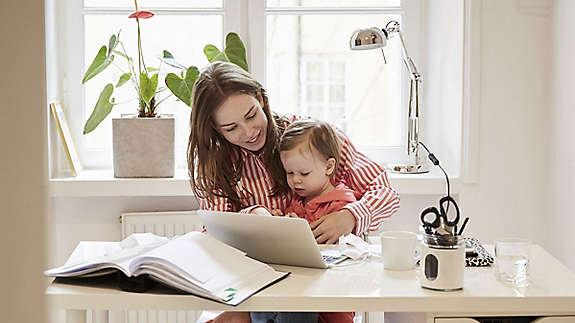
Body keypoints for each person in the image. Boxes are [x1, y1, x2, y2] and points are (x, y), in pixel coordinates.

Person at [188, 61, 400, 323]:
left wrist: (351, 216)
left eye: (252, 115)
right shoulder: (217, 163)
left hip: (319, 287)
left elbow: (385, 191)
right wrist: (255, 218)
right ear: (215, 129)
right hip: (256, 286)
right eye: (231, 128)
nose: (249, 132)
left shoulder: (310, 136)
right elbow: (214, 235)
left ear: (261, 98)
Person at [275, 119, 357, 323]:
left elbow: (339, 257)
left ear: (329, 167)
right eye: (289, 173)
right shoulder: (297, 200)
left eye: (304, 173)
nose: (296, 180)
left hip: (331, 304)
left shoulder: (340, 205)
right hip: (299, 295)